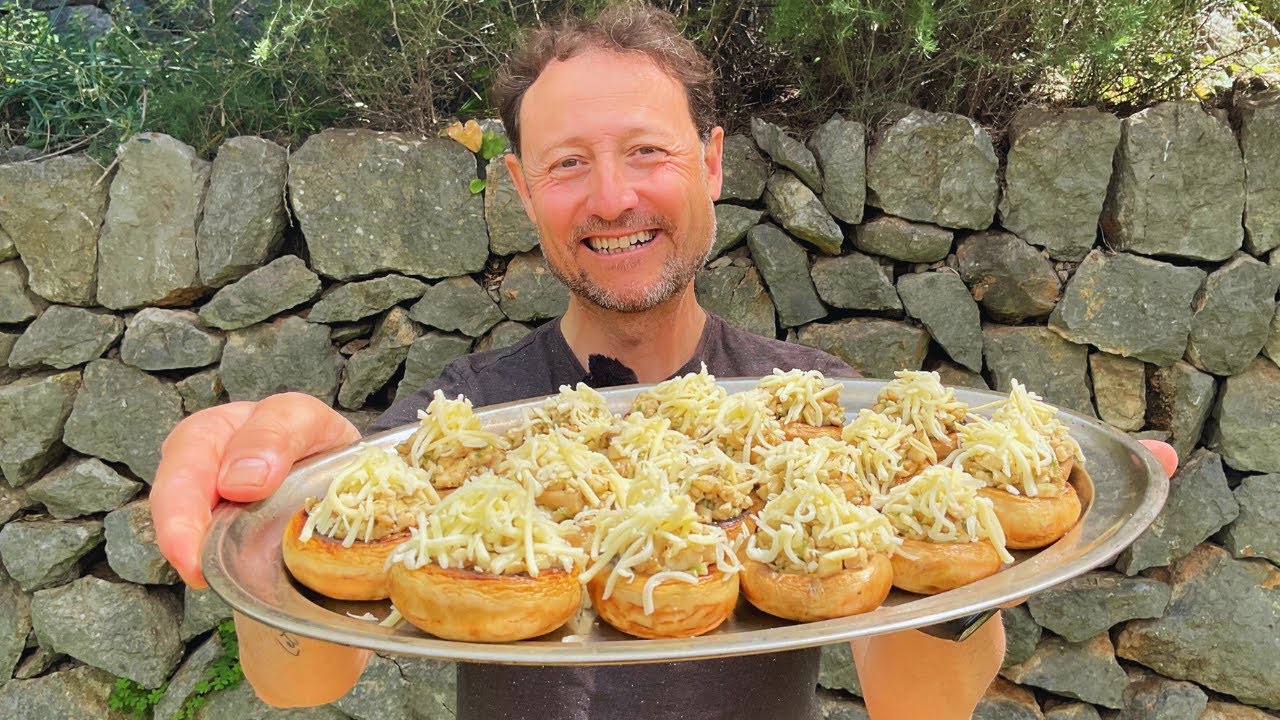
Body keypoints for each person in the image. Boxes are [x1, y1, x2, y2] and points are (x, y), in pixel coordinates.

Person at [151, 3, 1180, 718]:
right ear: (520, 189)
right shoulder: (457, 423)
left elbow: (915, 707)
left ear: (713, 162)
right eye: (566, 164)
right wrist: (278, 511)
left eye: (646, 150)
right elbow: (303, 683)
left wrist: (968, 561)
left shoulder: (816, 410)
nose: (610, 198)